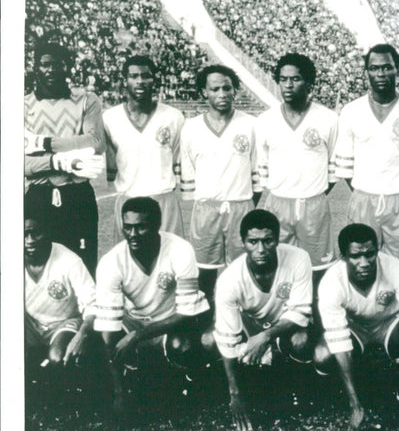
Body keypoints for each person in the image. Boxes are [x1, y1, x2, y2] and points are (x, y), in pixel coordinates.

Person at [314, 224, 399, 431]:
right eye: (356, 256)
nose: (364, 262)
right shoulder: (331, 282)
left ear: (377, 251)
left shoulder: (394, 267)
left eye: (370, 254)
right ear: (343, 257)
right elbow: (338, 341)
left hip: (389, 323)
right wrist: (356, 406)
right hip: (355, 329)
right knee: (323, 355)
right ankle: (341, 391)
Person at [94, 197, 210, 416]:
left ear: (157, 225)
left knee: (183, 348)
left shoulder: (180, 249)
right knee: (101, 346)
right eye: (127, 227)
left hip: (173, 318)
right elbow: (108, 331)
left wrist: (138, 335)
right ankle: (133, 379)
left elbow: (186, 313)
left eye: (141, 227)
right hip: (136, 319)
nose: (133, 235)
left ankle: (191, 378)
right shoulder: (111, 263)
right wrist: (119, 394)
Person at [333, 44, 399, 279]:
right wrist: (366, 192)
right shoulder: (351, 111)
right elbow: (346, 169)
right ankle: (362, 315)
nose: (381, 74)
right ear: (367, 72)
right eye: (374, 68)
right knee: (360, 267)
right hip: (363, 200)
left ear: (397, 70)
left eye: (387, 67)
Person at [213, 210, 314, 431]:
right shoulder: (229, 280)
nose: (260, 249)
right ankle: (254, 382)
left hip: (285, 326)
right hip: (251, 328)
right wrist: (235, 393)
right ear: (243, 242)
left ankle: (298, 389)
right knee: (230, 354)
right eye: (253, 242)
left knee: (301, 341)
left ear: (277, 239)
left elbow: (300, 312)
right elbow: (227, 337)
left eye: (267, 241)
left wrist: (266, 337)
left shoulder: (298, 258)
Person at [254, 53, 338, 288]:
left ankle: (317, 321)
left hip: (314, 205)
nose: (288, 85)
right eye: (283, 79)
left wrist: (312, 191)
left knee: (319, 271)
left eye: (295, 79)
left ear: (309, 83)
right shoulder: (264, 120)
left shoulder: (328, 119)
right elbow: (262, 167)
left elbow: (332, 168)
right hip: (277, 204)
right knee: (276, 267)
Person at [24, 41, 106, 276]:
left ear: (68, 67)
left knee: (83, 264)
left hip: (77, 195)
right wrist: (61, 162)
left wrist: (43, 143)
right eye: (45, 65)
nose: (51, 70)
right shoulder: (22, 105)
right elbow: (19, 163)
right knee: (38, 267)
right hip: (37, 196)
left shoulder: (87, 101)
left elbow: (95, 143)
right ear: (36, 68)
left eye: (58, 65)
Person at [180, 64, 261, 301]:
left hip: (241, 205)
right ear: (205, 92)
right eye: (215, 89)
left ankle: (244, 314)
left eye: (227, 88)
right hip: (206, 208)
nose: (222, 94)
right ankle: (206, 318)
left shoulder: (250, 124)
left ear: (235, 90)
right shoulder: (191, 128)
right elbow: (189, 170)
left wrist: (244, 201)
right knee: (204, 269)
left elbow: (256, 169)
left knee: (243, 267)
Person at [103, 55, 186, 243]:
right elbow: (111, 160)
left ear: (154, 79)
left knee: (170, 260)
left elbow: (177, 158)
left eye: (145, 76)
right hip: (128, 201)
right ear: (124, 81)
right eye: (133, 76)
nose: (140, 81)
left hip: (164, 200)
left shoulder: (174, 117)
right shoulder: (110, 118)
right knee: (129, 263)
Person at [25, 202, 96, 371]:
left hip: (63, 324)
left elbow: (93, 304)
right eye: (25, 234)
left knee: (57, 357)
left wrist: (82, 335)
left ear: (49, 231)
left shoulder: (70, 261)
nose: (30, 241)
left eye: (36, 233)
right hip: (30, 324)